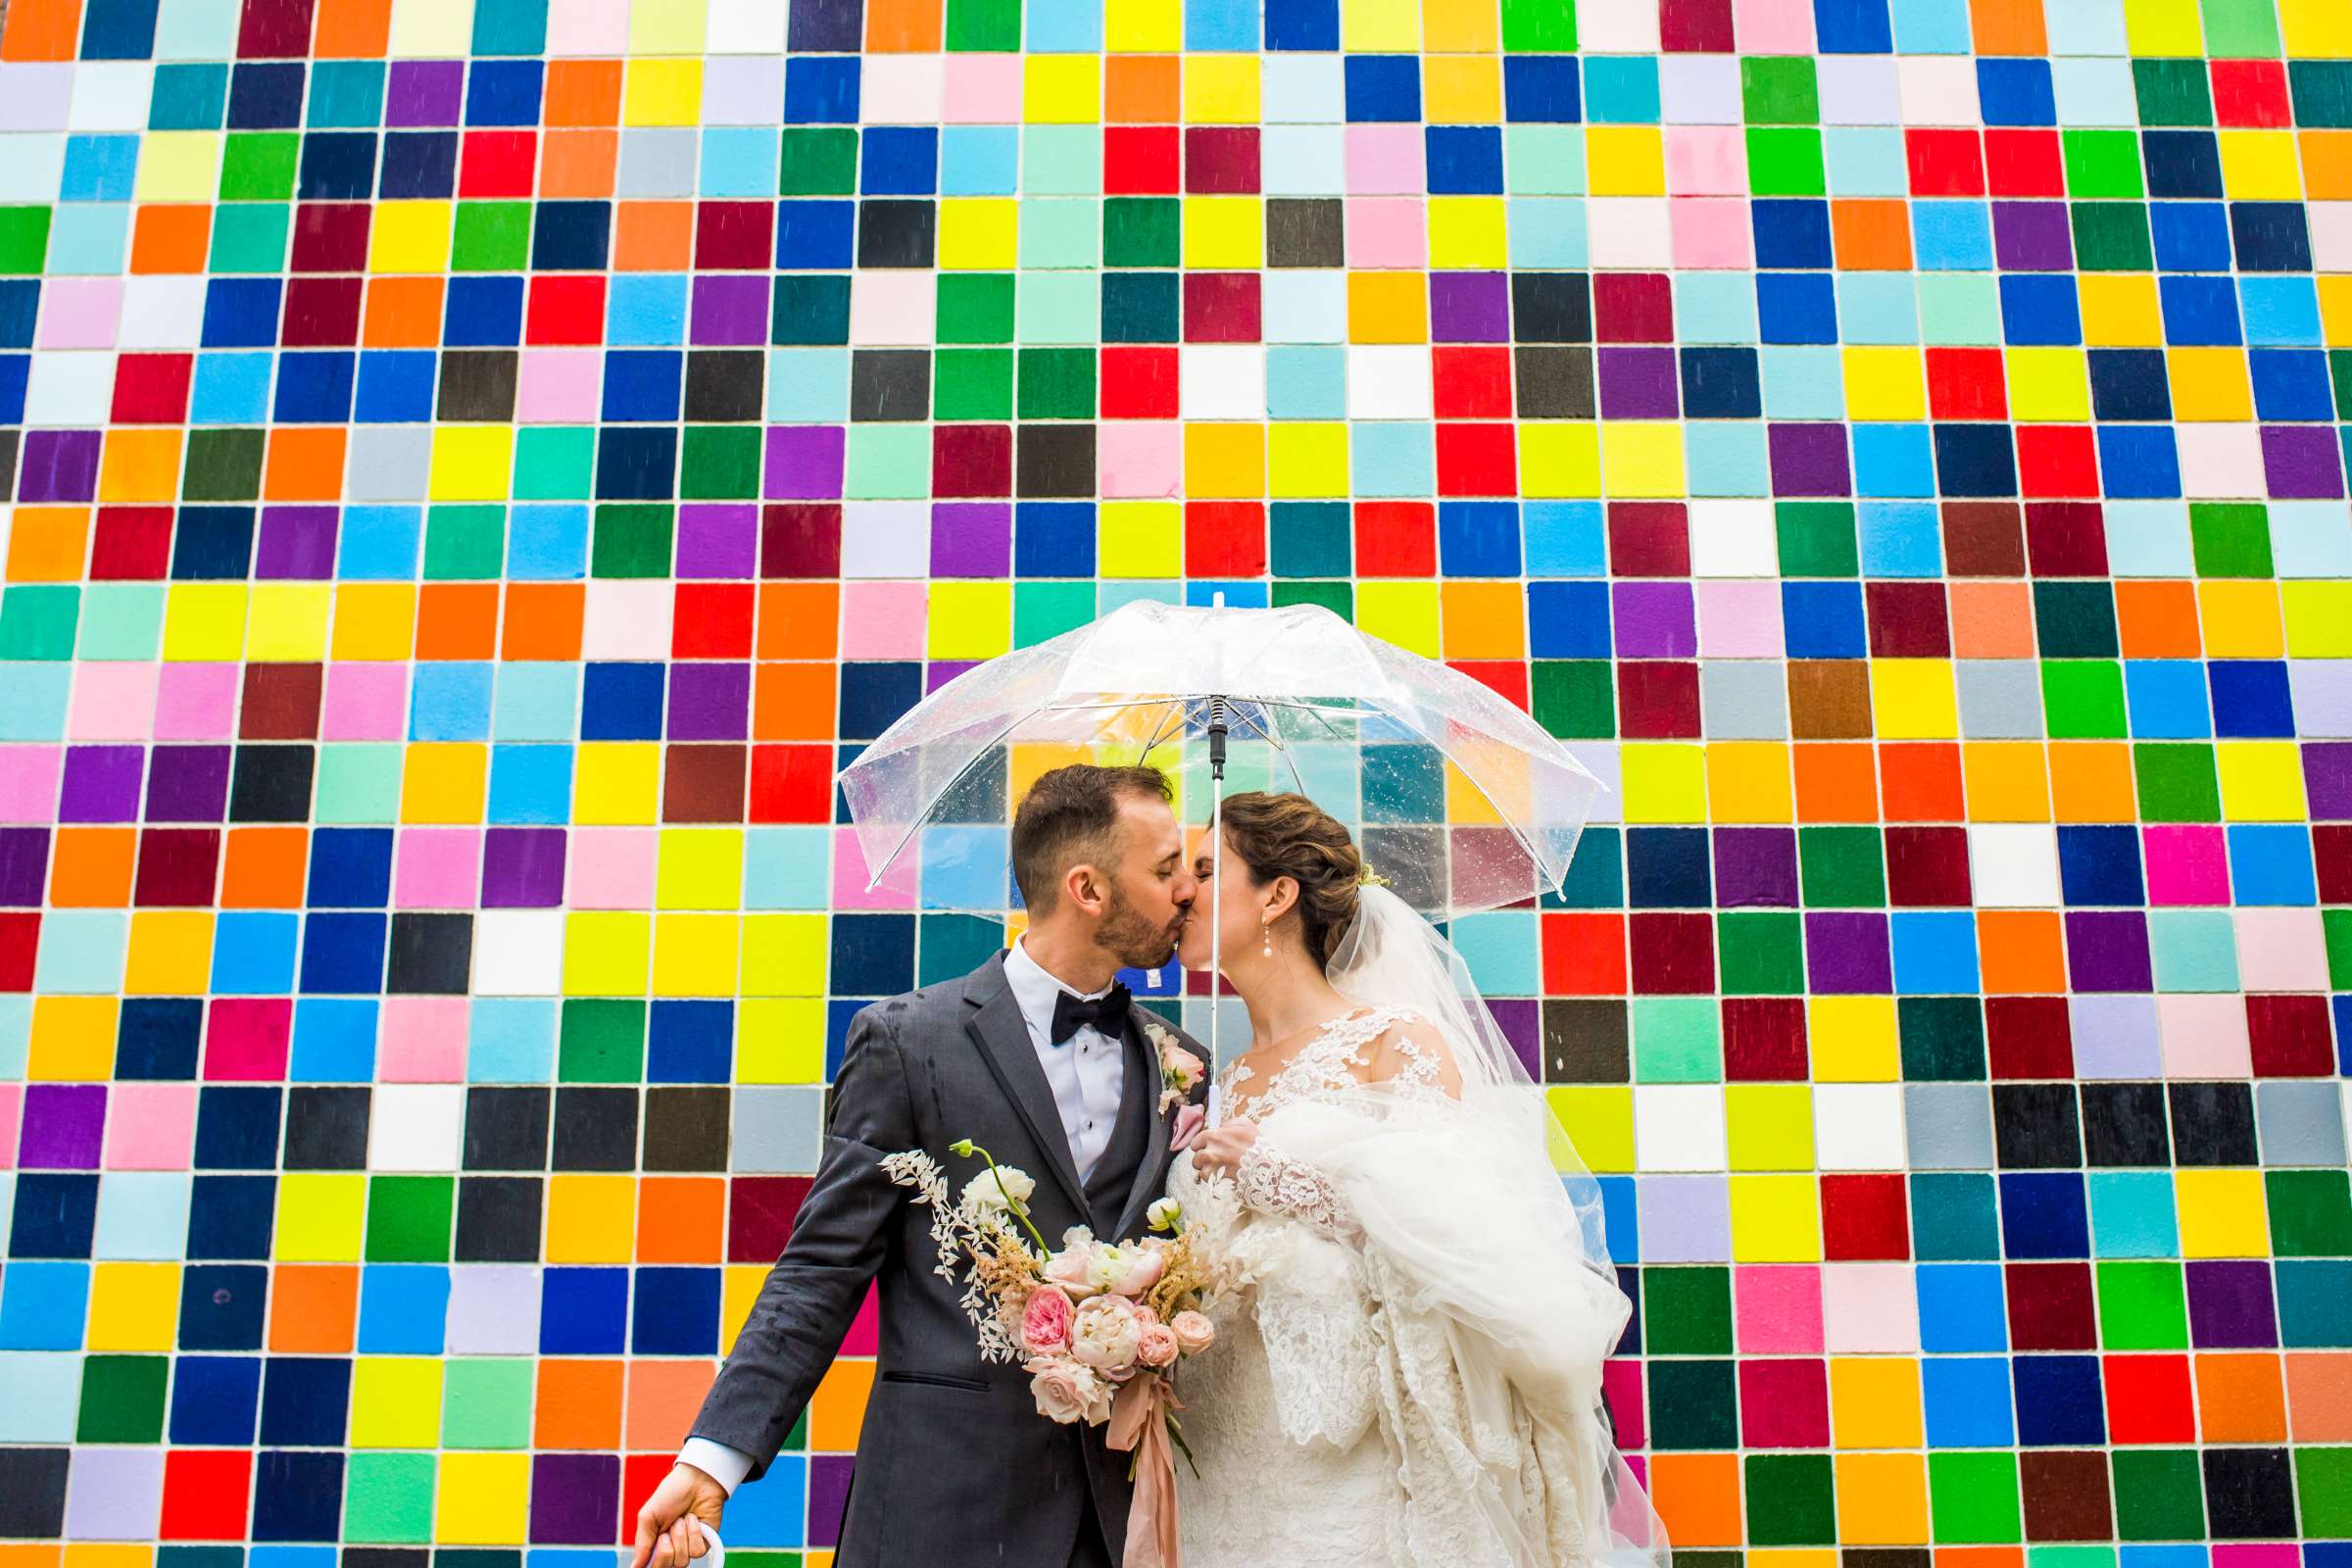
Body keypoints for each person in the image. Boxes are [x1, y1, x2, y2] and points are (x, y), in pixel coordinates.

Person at [630, 763, 1210, 1568]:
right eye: (1164, 868)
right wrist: (713, 1460)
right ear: (1088, 888)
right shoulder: (910, 1042)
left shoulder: (1181, 1063)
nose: (1187, 889)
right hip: (941, 1511)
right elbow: (822, 1267)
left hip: (1116, 1522)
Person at [1172, 792, 1668, 1568]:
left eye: (1205, 871)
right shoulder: (1218, 1080)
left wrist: (1273, 1174)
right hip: (1225, 1441)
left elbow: (1460, 1236)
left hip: (1350, 1453)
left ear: (1276, 894)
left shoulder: (1391, 1042)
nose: (1181, 892)